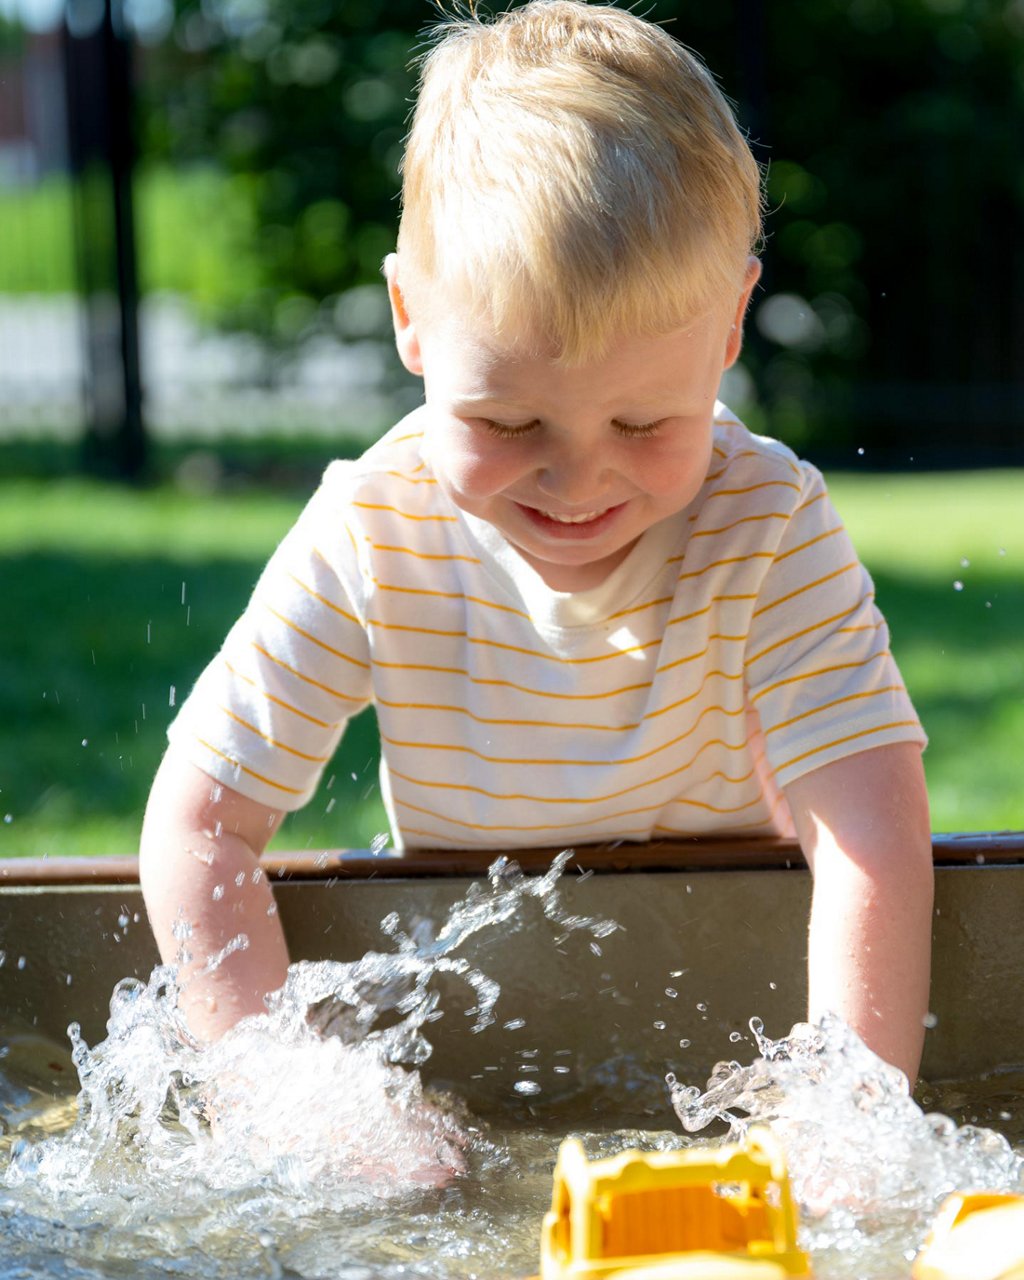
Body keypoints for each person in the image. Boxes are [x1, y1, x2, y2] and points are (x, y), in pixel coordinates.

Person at [140, 0, 933, 1081]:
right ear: (409, 317)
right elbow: (197, 827)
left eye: (645, 423)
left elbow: (871, 840)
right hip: (473, 1031)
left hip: (726, 1001)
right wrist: (291, 1100)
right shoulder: (377, 527)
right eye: (507, 423)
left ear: (732, 321)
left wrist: (848, 1108)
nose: (576, 477)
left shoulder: (766, 525)